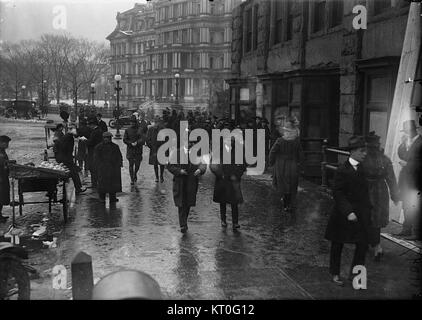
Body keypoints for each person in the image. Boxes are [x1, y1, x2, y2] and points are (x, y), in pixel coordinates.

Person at [324, 136, 372, 286]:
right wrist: (348, 211)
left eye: (365, 151)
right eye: (361, 151)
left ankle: (355, 275)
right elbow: (337, 193)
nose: (365, 154)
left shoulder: (364, 168)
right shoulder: (342, 170)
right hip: (343, 214)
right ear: (352, 152)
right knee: (338, 243)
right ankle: (335, 273)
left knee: (362, 244)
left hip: (361, 212)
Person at [361, 132, 399, 261]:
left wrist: (395, 194)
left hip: (371, 190)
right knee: (372, 219)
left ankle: (372, 245)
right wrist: (394, 194)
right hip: (376, 190)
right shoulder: (384, 159)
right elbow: (391, 179)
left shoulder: (364, 158)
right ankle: (374, 245)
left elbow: (391, 178)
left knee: (370, 218)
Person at [167, 139, 207, 234]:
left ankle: (184, 221)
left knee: (188, 203)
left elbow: (203, 164)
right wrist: (179, 171)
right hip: (180, 181)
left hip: (191, 181)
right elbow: (170, 166)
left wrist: (200, 170)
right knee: (181, 203)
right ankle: (183, 225)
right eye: (188, 142)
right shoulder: (176, 153)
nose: (190, 144)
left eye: (192, 143)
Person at [210, 137, 246, 231]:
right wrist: (219, 174)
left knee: (234, 202)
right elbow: (212, 164)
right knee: (223, 201)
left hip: (233, 180)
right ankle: (223, 219)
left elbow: (242, 165)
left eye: (232, 142)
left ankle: (235, 222)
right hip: (222, 179)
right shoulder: (218, 151)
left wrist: (237, 175)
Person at [268, 117, 303, 212]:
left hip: (281, 166)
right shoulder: (296, 141)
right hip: (293, 166)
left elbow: (272, 152)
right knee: (291, 184)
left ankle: (285, 203)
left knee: (283, 184)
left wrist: (271, 162)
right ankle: (288, 203)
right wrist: (300, 164)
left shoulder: (280, 141)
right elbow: (301, 154)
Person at [396, 119, 422, 239]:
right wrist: (402, 143)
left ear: (413, 130)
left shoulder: (421, 142)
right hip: (406, 180)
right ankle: (406, 230)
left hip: (417, 180)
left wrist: (408, 165)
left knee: (416, 206)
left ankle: (417, 233)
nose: (406, 133)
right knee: (406, 205)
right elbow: (401, 155)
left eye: (407, 131)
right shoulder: (407, 141)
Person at [55, 124, 87, 195]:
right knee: (74, 172)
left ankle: (78, 188)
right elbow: (66, 149)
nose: (78, 135)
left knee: (74, 172)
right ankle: (78, 188)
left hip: (64, 157)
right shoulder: (69, 138)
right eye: (77, 134)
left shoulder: (67, 136)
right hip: (66, 158)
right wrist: (70, 157)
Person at [93, 132, 123, 203]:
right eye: (105, 138)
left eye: (108, 138)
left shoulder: (115, 146)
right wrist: (98, 166)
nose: (106, 139)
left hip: (113, 168)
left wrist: (119, 164)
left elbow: (119, 156)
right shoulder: (98, 147)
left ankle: (112, 197)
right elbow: (96, 158)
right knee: (102, 183)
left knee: (112, 184)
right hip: (103, 168)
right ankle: (102, 197)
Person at [123, 116, 145, 185]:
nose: (132, 124)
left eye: (133, 122)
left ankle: (135, 173)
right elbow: (124, 139)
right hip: (130, 150)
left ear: (135, 123)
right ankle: (132, 179)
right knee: (131, 165)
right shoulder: (127, 130)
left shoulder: (140, 129)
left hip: (138, 150)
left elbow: (143, 139)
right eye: (131, 122)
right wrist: (130, 143)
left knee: (137, 165)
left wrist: (137, 142)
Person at [146, 116, 166, 183]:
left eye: (158, 122)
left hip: (162, 148)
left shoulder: (163, 129)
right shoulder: (151, 129)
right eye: (156, 122)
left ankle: (161, 176)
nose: (157, 124)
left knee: (162, 164)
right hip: (154, 148)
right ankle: (157, 177)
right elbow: (148, 139)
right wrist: (151, 146)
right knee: (155, 163)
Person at [86, 118, 104, 188]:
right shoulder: (99, 130)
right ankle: (97, 183)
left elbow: (91, 142)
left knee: (93, 168)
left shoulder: (95, 132)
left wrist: (85, 141)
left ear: (92, 125)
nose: (89, 127)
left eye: (90, 125)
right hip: (98, 152)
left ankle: (94, 184)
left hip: (93, 152)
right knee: (96, 168)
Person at [0, 135, 11, 222]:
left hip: (3, 176)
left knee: (2, 196)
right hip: (1, 178)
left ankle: (0, 215)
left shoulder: (2, 151)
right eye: (6, 143)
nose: (7, 145)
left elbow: (5, 163)